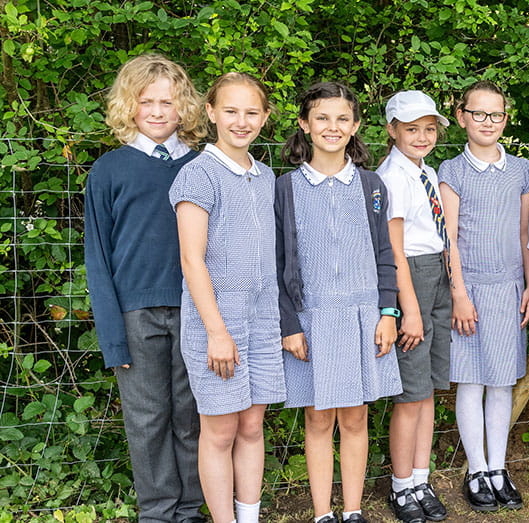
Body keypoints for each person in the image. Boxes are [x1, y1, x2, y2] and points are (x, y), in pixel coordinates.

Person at [84, 52, 206, 523]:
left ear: (185, 109)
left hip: (196, 311)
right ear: (129, 106)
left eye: (168, 102)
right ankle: (157, 512)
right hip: (136, 315)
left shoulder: (200, 167)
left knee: (190, 416)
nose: (157, 112)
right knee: (147, 419)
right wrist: (112, 336)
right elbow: (99, 257)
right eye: (146, 101)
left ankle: (191, 508)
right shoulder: (109, 170)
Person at [275, 81, 402, 523]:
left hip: (364, 317)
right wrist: (289, 323)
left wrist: (389, 312)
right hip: (312, 320)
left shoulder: (371, 185)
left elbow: (386, 255)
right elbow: (277, 264)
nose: (333, 127)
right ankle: (321, 514)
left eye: (342, 118)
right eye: (322, 118)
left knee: (355, 418)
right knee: (318, 419)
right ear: (304, 124)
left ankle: (352, 511)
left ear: (356, 126)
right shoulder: (285, 188)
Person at [169, 72, 286, 523]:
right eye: (231, 111)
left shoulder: (264, 175)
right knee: (219, 432)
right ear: (211, 113)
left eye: (252, 112)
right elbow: (191, 260)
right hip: (216, 324)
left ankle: (249, 517)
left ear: (265, 117)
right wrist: (217, 333)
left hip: (261, 321)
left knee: (252, 426)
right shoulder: (198, 175)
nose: (241, 121)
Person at [438, 80, 529, 512]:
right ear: (462, 117)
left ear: (505, 118)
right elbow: (450, 239)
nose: (487, 122)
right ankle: (476, 470)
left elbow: (525, 232)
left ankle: (498, 469)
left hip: (510, 286)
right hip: (470, 288)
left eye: (495, 114)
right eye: (478, 113)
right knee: (471, 380)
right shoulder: (452, 171)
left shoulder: (521, 170)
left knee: (501, 381)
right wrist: (459, 293)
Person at [376, 89, 453, 523]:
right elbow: (395, 249)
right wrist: (411, 307)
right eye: (411, 129)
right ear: (392, 131)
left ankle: (421, 478)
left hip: (437, 274)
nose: (422, 137)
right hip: (413, 281)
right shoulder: (392, 176)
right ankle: (401, 485)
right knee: (410, 394)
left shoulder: (428, 170)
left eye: (428, 129)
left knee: (426, 391)